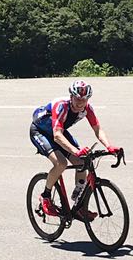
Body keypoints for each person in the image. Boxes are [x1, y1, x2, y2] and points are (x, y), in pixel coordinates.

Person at [30, 80, 119, 217]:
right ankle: (45, 196)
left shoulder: (87, 109)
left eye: (84, 100)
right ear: (71, 96)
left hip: (58, 131)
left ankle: (79, 205)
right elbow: (57, 136)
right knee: (61, 163)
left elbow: (98, 129)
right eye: (77, 99)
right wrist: (76, 151)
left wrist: (109, 146)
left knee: (82, 162)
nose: (80, 103)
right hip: (40, 131)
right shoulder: (62, 106)